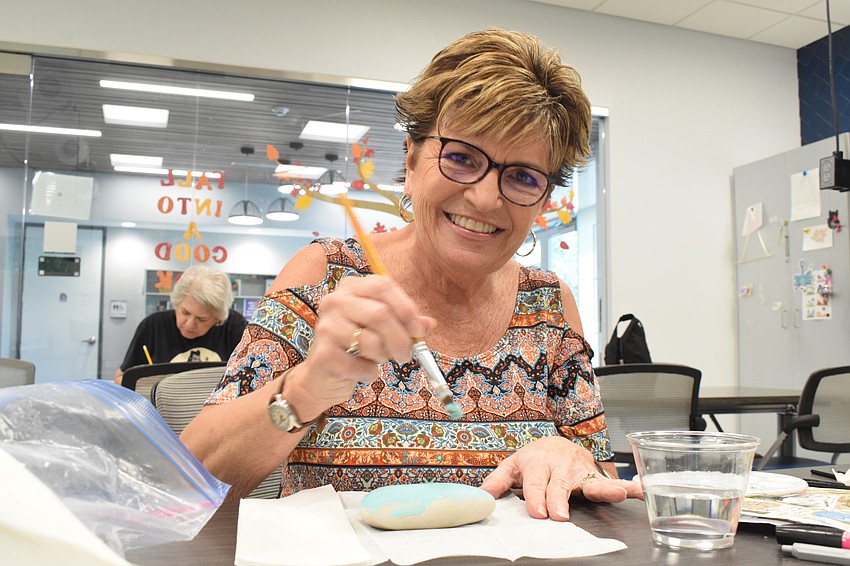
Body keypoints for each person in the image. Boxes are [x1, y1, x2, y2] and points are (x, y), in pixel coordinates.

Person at [181, 28, 642, 520]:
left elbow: (600, 482)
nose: (486, 199)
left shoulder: (548, 305)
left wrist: (566, 458)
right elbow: (191, 484)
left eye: (523, 176)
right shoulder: (327, 276)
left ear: (544, 200)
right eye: (462, 157)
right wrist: (306, 389)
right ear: (413, 156)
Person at [114, 265, 247, 385]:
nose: (189, 324)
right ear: (176, 303)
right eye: (185, 312)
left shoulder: (234, 327)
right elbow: (121, 378)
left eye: (202, 319)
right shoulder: (153, 326)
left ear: (218, 320)